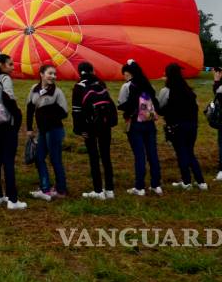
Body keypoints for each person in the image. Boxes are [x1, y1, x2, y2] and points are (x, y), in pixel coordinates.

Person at [157, 63, 207, 190]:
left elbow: (160, 108)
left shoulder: (166, 91)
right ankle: (201, 182)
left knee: (181, 153)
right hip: (192, 125)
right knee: (190, 152)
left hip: (177, 126)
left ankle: (186, 181)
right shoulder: (189, 90)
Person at [71, 62, 117, 200]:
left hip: (89, 126)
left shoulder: (78, 87)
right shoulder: (100, 83)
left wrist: (79, 129)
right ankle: (110, 190)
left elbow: (76, 111)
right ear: (92, 70)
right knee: (106, 156)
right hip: (104, 124)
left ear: (80, 72)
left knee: (93, 157)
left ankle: (98, 191)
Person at [117, 60, 162, 196]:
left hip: (136, 123)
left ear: (129, 73)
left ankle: (139, 187)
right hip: (149, 123)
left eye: (125, 74)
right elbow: (156, 102)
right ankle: (156, 185)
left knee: (139, 155)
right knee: (152, 154)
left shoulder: (127, 86)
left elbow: (121, 104)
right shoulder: (148, 84)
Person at [0, 54, 26, 210]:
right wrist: (18, 116)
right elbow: (9, 100)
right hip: (6, 124)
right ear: (1, 65)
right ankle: (12, 199)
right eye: (10, 64)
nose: (13, 67)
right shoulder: (5, 79)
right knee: (8, 161)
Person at [26, 65, 69, 201]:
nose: (53, 76)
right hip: (42, 131)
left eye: (54, 74)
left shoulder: (57, 92)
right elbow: (29, 109)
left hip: (54, 130)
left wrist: (48, 113)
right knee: (39, 158)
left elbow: (64, 112)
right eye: (50, 73)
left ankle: (61, 190)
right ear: (42, 74)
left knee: (55, 159)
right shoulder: (34, 89)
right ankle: (45, 188)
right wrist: (29, 128)